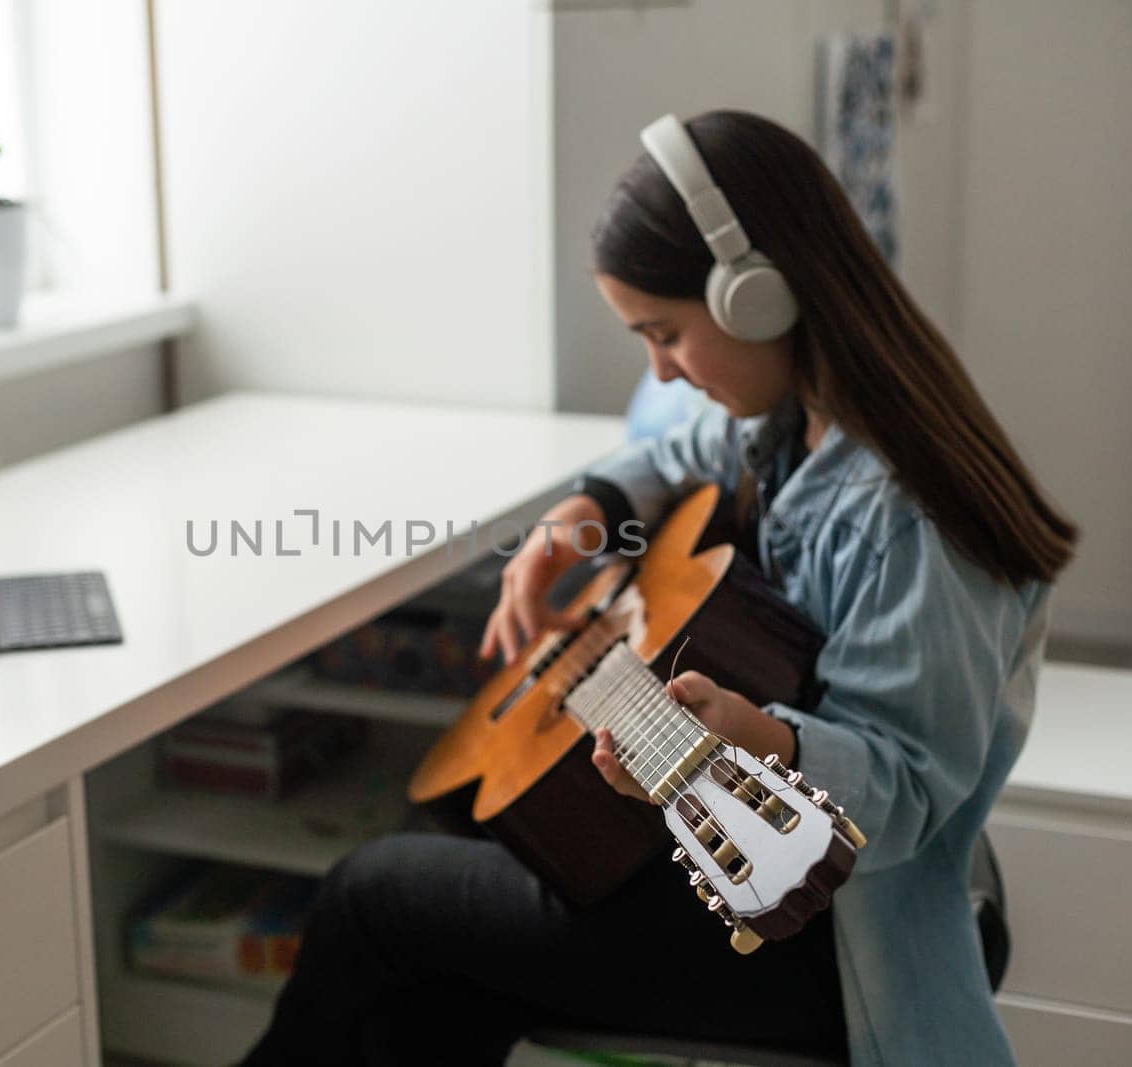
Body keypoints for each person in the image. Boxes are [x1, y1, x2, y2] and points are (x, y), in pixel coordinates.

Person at [238, 109, 1076, 1067]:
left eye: (665, 334)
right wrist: (577, 518)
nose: (661, 371)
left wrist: (753, 735)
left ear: (757, 297)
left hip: (830, 936)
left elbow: (905, 790)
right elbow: (675, 453)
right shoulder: (792, 419)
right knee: (445, 925)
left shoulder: (911, 513)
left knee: (377, 896)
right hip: (736, 866)